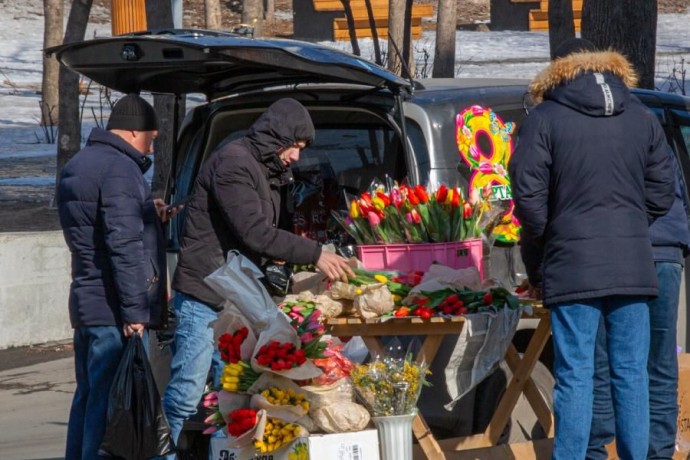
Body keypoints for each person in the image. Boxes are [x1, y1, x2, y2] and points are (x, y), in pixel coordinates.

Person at [508, 38, 675, 459]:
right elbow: (663, 190)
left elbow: (528, 200)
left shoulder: (543, 119)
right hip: (634, 264)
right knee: (631, 374)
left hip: (572, 264)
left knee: (577, 375)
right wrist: (633, 225)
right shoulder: (641, 116)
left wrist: (547, 246)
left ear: (559, 69)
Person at [162, 98, 355, 450]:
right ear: (277, 137)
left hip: (236, 300)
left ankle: (226, 455)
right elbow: (255, 232)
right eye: (295, 146)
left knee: (231, 397)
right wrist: (315, 255)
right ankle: (159, 454)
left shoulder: (268, 170)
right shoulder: (234, 164)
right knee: (186, 395)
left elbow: (271, 230)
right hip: (205, 296)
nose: (297, 156)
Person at [58, 93, 176, 459]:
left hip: (87, 300)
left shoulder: (80, 163)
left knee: (88, 397)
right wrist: (135, 312)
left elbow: (93, 230)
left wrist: (146, 212)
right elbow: (123, 246)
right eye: (150, 139)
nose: (152, 147)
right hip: (112, 308)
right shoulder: (120, 170)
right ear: (131, 132)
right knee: (108, 409)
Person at [587, 147, 690, 459]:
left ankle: (598, 450)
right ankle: (658, 452)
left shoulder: (594, 130)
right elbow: (673, 194)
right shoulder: (651, 127)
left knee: (604, 361)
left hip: (620, 251)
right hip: (666, 250)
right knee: (660, 361)